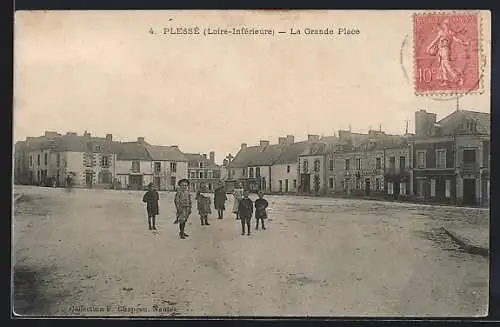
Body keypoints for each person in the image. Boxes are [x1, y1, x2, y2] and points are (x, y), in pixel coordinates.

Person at [425, 19, 469, 87]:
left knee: (446, 65)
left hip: (444, 50)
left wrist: (429, 47)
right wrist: (464, 43)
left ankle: (459, 78)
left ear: (446, 25)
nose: (445, 26)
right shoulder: (450, 32)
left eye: (446, 24)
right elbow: (456, 40)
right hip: (443, 50)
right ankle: (445, 81)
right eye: (445, 24)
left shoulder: (443, 32)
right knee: (443, 66)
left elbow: (435, 41)